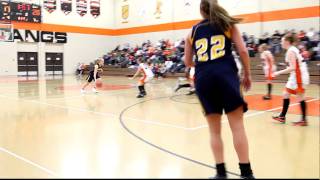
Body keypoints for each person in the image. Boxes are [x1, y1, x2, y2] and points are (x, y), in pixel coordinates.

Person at [184, 0, 254, 178]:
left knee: (214, 131)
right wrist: (247, 74)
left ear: (201, 10)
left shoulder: (192, 32)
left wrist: (204, 61)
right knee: (237, 127)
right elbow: (243, 51)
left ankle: (221, 174)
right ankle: (246, 174)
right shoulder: (227, 24)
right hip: (225, 75)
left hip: (204, 79)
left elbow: (188, 62)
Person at [272, 33, 310, 126]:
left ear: (287, 42)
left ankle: (304, 120)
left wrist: (278, 72)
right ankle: (282, 116)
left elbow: (292, 67)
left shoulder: (291, 51)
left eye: (282, 41)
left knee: (300, 96)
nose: (281, 43)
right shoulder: (292, 50)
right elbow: (293, 66)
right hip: (295, 75)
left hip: (299, 75)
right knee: (285, 93)